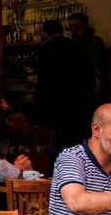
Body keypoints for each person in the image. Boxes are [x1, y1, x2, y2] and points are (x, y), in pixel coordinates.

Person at [36, 19, 93, 149]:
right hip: (77, 102)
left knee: (57, 144)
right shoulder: (76, 47)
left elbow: (45, 80)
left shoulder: (46, 49)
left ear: (45, 33)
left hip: (54, 104)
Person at [68, 12, 107, 100]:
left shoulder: (93, 42)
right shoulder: (74, 41)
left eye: (76, 26)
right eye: (70, 26)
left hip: (88, 85)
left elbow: (97, 66)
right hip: (79, 85)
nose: (72, 29)